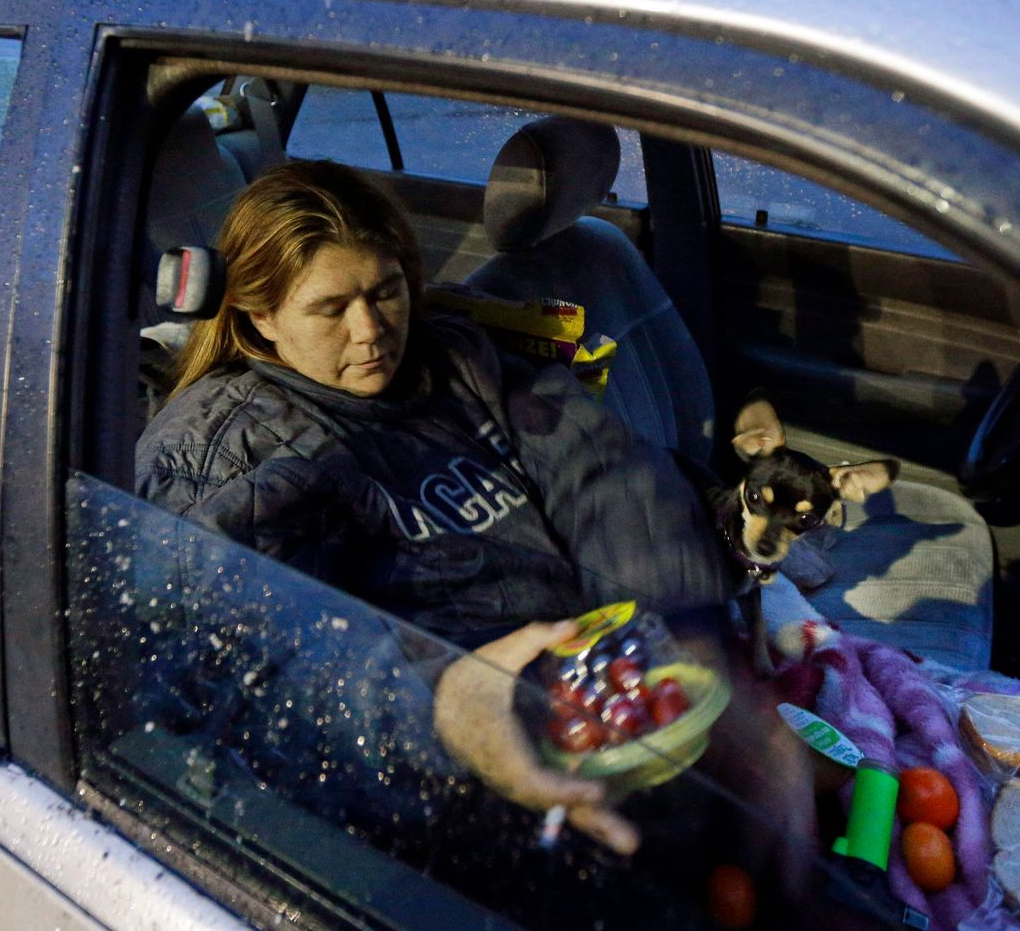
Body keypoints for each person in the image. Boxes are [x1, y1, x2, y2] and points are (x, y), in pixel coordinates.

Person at [136, 159, 804, 859]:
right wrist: (444, 707)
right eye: (331, 309)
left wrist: (696, 639)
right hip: (441, 780)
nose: (370, 330)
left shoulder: (459, 361)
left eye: (386, 291)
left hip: (595, 710)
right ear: (261, 314)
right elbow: (262, 661)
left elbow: (607, 481)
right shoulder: (222, 459)